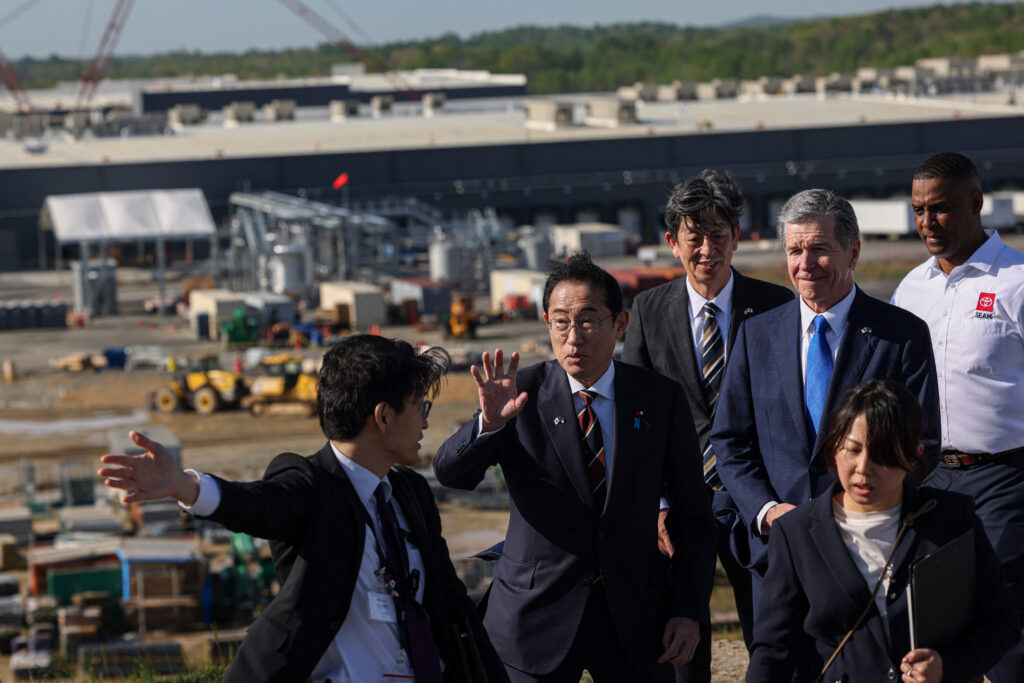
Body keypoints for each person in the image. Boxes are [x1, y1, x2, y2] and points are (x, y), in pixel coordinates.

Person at [98, 335, 507, 683]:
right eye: (421, 407)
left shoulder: (411, 493)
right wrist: (185, 487)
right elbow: (259, 506)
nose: (424, 423)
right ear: (382, 417)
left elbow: (453, 606)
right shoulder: (311, 485)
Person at [434, 251, 717, 683]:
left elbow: (694, 516)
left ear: (619, 324)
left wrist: (689, 610)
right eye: (561, 322)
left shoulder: (659, 397)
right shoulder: (519, 395)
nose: (573, 337)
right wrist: (488, 424)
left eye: (588, 320)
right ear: (546, 323)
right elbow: (451, 474)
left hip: (635, 618)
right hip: (534, 617)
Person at [711, 188, 940, 613]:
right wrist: (766, 511)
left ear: (853, 252)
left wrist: (861, 509)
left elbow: (924, 444)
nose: (804, 263)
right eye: (794, 250)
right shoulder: (755, 335)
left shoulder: (902, 335)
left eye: (819, 248)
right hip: (779, 553)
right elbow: (730, 440)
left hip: (870, 554)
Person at [621, 169, 793, 676]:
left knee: (771, 636)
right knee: (681, 648)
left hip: (756, 502)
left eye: (719, 237)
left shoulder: (776, 307)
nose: (707, 251)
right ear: (673, 243)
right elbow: (635, 416)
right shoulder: (649, 311)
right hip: (680, 506)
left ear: (736, 238)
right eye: (695, 239)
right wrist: (654, 504)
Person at [747, 379, 1020, 683]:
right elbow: (772, 651)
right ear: (834, 447)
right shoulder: (795, 533)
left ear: (913, 455)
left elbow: (1002, 623)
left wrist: (947, 665)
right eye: (852, 450)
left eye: (882, 455)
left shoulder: (952, 520)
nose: (864, 467)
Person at [891, 150, 1024, 681]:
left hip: (1005, 477)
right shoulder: (910, 289)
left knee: (1003, 614)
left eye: (941, 209)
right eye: (919, 210)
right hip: (930, 479)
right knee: (938, 623)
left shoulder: (1016, 280)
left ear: (976, 203)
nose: (927, 223)